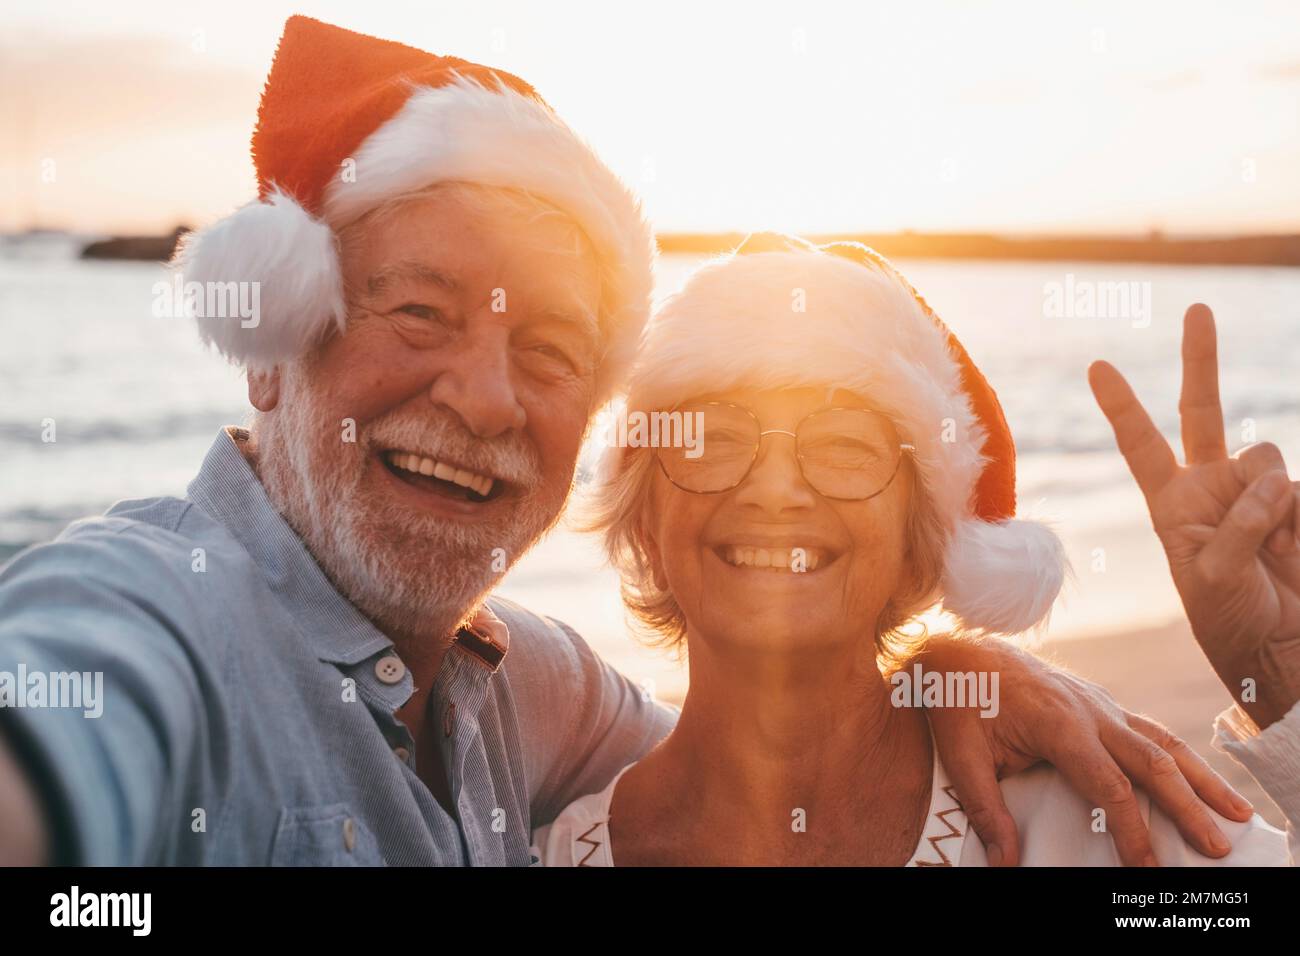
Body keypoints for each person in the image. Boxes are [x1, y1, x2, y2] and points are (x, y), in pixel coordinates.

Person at [0, 20, 1248, 867]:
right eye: (419, 309)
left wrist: (943, 676)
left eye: (548, 351)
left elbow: (749, 753)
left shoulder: (522, 688)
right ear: (271, 340)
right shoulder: (149, 616)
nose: (488, 398)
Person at [531, 233, 1299, 865]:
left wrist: (1281, 675)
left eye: (841, 445)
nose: (774, 489)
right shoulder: (552, 852)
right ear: (643, 517)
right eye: (714, 439)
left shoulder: (1103, 820)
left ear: (920, 540)